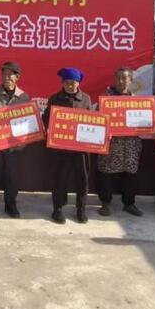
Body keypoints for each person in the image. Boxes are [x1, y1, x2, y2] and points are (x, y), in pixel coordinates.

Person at [0, 61, 30, 220]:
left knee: (12, 178)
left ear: (17, 77)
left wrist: (25, 140)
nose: (6, 77)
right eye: (4, 74)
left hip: (14, 147)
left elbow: (28, 122)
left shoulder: (24, 97)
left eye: (10, 75)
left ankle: (10, 204)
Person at [44, 67, 94, 225]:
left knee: (82, 179)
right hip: (60, 147)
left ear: (78, 83)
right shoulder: (55, 98)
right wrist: (47, 127)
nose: (70, 86)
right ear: (62, 83)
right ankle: (57, 209)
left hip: (81, 148)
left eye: (73, 83)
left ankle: (81, 209)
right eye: (66, 83)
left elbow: (93, 120)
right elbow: (46, 118)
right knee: (60, 178)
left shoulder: (86, 99)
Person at [96, 67, 144, 218]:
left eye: (125, 78)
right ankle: (105, 203)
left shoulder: (137, 100)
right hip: (111, 143)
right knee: (106, 174)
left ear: (130, 80)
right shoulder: (105, 98)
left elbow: (143, 122)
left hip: (130, 144)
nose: (121, 81)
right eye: (119, 78)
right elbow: (97, 119)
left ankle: (129, 203)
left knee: (130, 174)